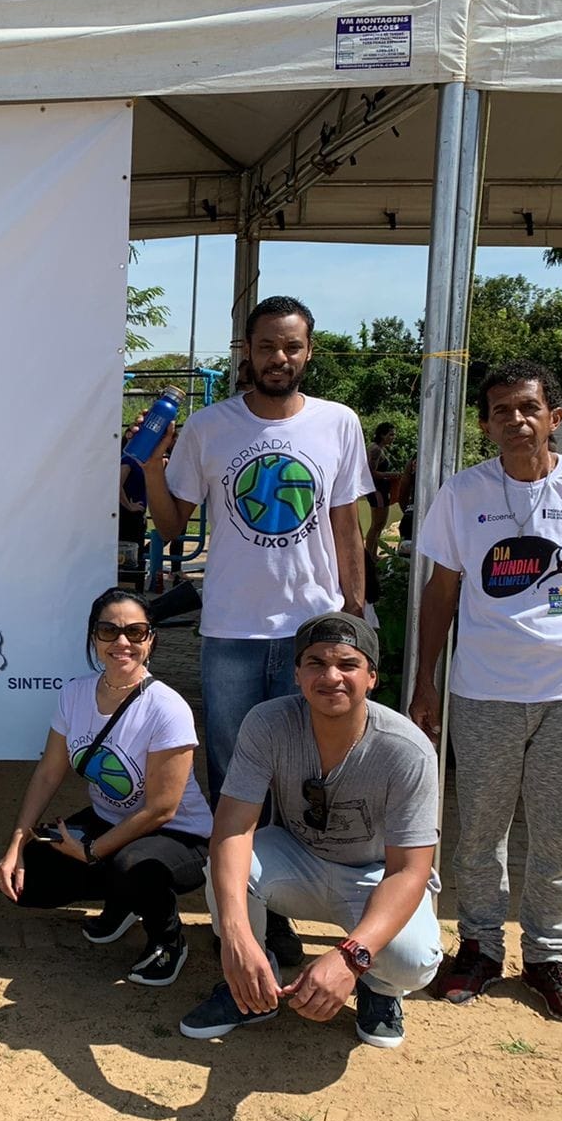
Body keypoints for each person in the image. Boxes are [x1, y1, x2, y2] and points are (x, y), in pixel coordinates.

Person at [411, 361, 562, 1025]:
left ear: (554, 416)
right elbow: (442, 590)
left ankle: (547, 957)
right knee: (481, 829)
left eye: (527, 408)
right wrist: (426, 680)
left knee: (559, 833)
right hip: (485, 688)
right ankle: (480, 949)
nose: (515, 420)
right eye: (500, 411)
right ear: (485, 424)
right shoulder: (463, 494)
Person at [140, 294, 373, 966]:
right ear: (247, 350)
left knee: (308, 777)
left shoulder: (338, 424)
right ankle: (239, 914)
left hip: (314, 636)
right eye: (268, 345)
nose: (280, 358)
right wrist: (153, 468)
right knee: (236, 781)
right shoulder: (211, 427)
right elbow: (170, 525)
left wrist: (355, 610)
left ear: (310, 352)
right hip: (233, 634)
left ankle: (282, 907)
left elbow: (344, 523)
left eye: (293, 346)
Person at [179, 612, 442, 1048]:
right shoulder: (268, 723)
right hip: (298, 857)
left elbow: (409, 871)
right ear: (297, 674)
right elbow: (232, 828)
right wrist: (237, 937)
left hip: (374, 874)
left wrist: (350, 959)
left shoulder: (406, 750)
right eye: (316, 663)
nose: (331, 676)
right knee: (226, 867)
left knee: (412, 960)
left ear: (372, 677)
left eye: (347, 664)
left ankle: (380, 990)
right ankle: (249, 986)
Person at [0, 590, 211, 986]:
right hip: (110, 820)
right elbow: (48, 773)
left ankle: (167, 939)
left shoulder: (167, 707)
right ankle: (125, 899)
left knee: (134, 865)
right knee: (34, 879)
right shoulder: (75, 693)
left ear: (151, 640)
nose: (122, 642)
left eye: (135, 631)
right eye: (109, 631)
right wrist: (15, 845)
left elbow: (162, 808)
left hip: (179, 834)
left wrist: (93, 851)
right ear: (93, 638)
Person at [365, 422, 398, 554]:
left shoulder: (378, 449)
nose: (393, 437)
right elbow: (371, 473)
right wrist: (392, 474)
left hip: (381, 489)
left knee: (380, 524)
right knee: (377, 524)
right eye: (390, 435)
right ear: (382, 435)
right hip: (376, 490)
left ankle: (373, 554)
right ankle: (369, 556)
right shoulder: (376, 450)